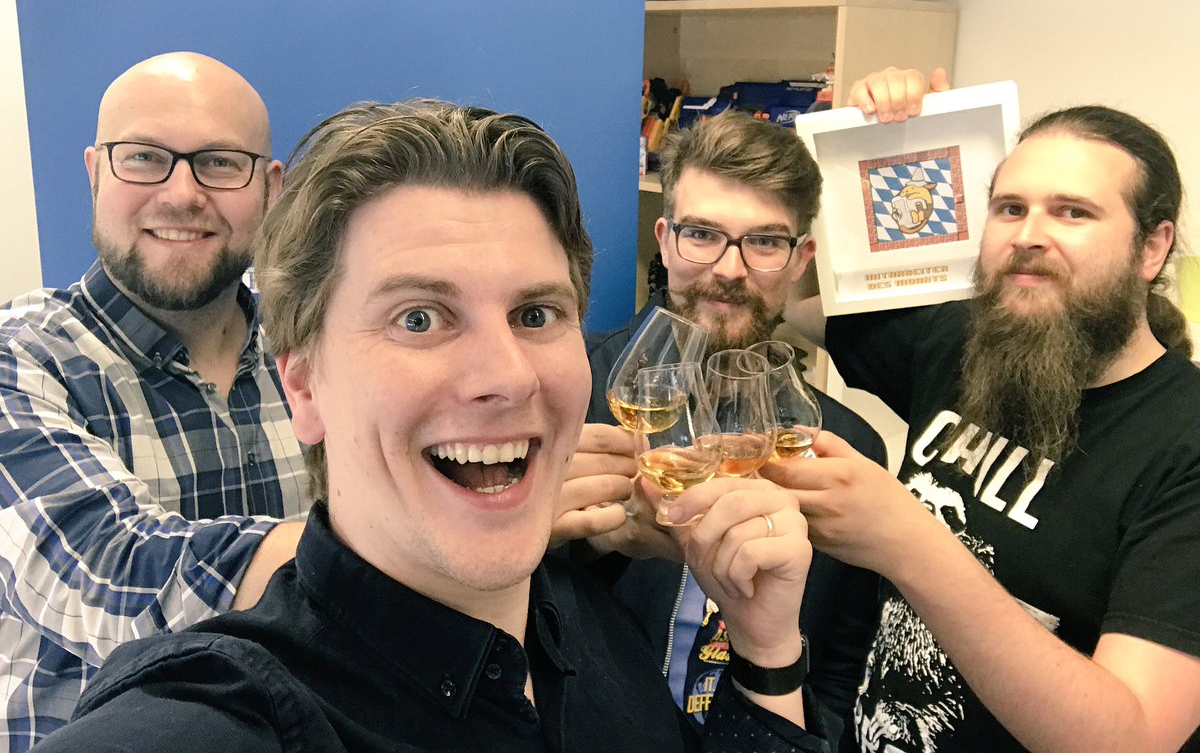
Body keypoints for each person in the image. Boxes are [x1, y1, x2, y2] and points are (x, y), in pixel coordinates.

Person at [34, 100, 839, 752]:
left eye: (535, 313)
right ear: (303, 385)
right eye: (419, 317)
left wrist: (766, 650)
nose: (508, 376)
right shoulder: (228, 715)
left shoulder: (591, 626)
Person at [780, 67, 1200, 752]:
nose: (1028, 234)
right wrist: (879, 143)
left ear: (1152, 247)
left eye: (1073, 212)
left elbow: (1135, 736)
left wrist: (906, 539)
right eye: (1009, 208)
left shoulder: (1184, 442)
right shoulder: (963, 341)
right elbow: (796, 298)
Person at [0, 52, 309, 751]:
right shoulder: (20, 360)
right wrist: (406, 544)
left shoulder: (316, 350)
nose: (181, 193)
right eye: (144, 158)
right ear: (95, 173)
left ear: (270, 188)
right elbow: (110, 577)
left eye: (220, 163)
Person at [562, 110, 888, 740]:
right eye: (703, 234)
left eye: (765, 242)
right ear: (665, 241)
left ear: (800, 260)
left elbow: (837, 683)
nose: (731, 270)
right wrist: (588, 540)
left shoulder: (846, 451)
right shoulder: (569, 395)